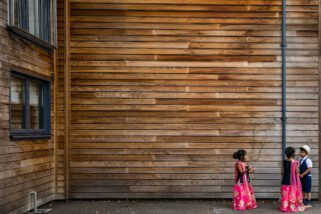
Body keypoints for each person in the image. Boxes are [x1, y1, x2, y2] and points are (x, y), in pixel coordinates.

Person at [280, 147, 305, 212]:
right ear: (293, 154)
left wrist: (283, 177)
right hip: (292, 182)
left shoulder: (283, 161)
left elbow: (282, 172)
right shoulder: (295, 162)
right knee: (292, 194)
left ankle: (284, 207)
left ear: (286, 154)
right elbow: (297, 172)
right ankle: (291, 206)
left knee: (285, 195)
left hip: (285, 180)